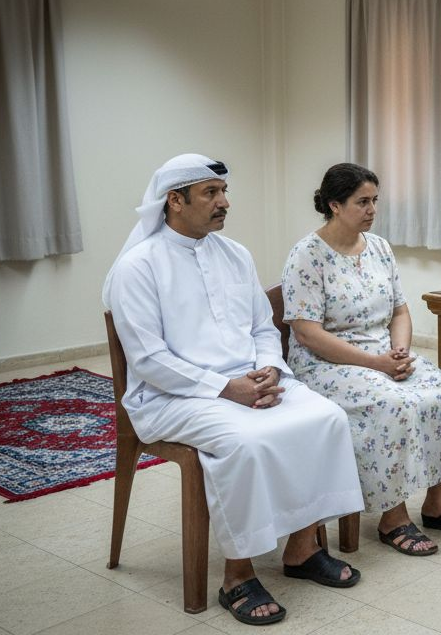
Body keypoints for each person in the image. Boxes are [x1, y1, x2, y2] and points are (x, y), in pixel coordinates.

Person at [104, 154, 365, 626]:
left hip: (248, 381)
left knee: (324, 418)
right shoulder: (138, 267)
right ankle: (237, 575)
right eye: (211, 193)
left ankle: (302, 550)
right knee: (244, 442)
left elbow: (264, 328)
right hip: (170, 397)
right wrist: (226, 389)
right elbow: (149, 361)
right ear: (175, 201)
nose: (224, 202)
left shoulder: (235, 254)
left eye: (224, 192)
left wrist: (268, 369)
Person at [281, 163, 441, 557]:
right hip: (326, 364)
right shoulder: (307, 256)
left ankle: (437, 503)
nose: (372, 209)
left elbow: (399, 311)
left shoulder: (379, 248)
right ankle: (393, 518)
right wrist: (378, 365)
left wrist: (401, 353)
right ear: (334, 205)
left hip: (381, 356)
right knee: (394, 405)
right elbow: (308, 333)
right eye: (362, 202)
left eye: (375, 200)